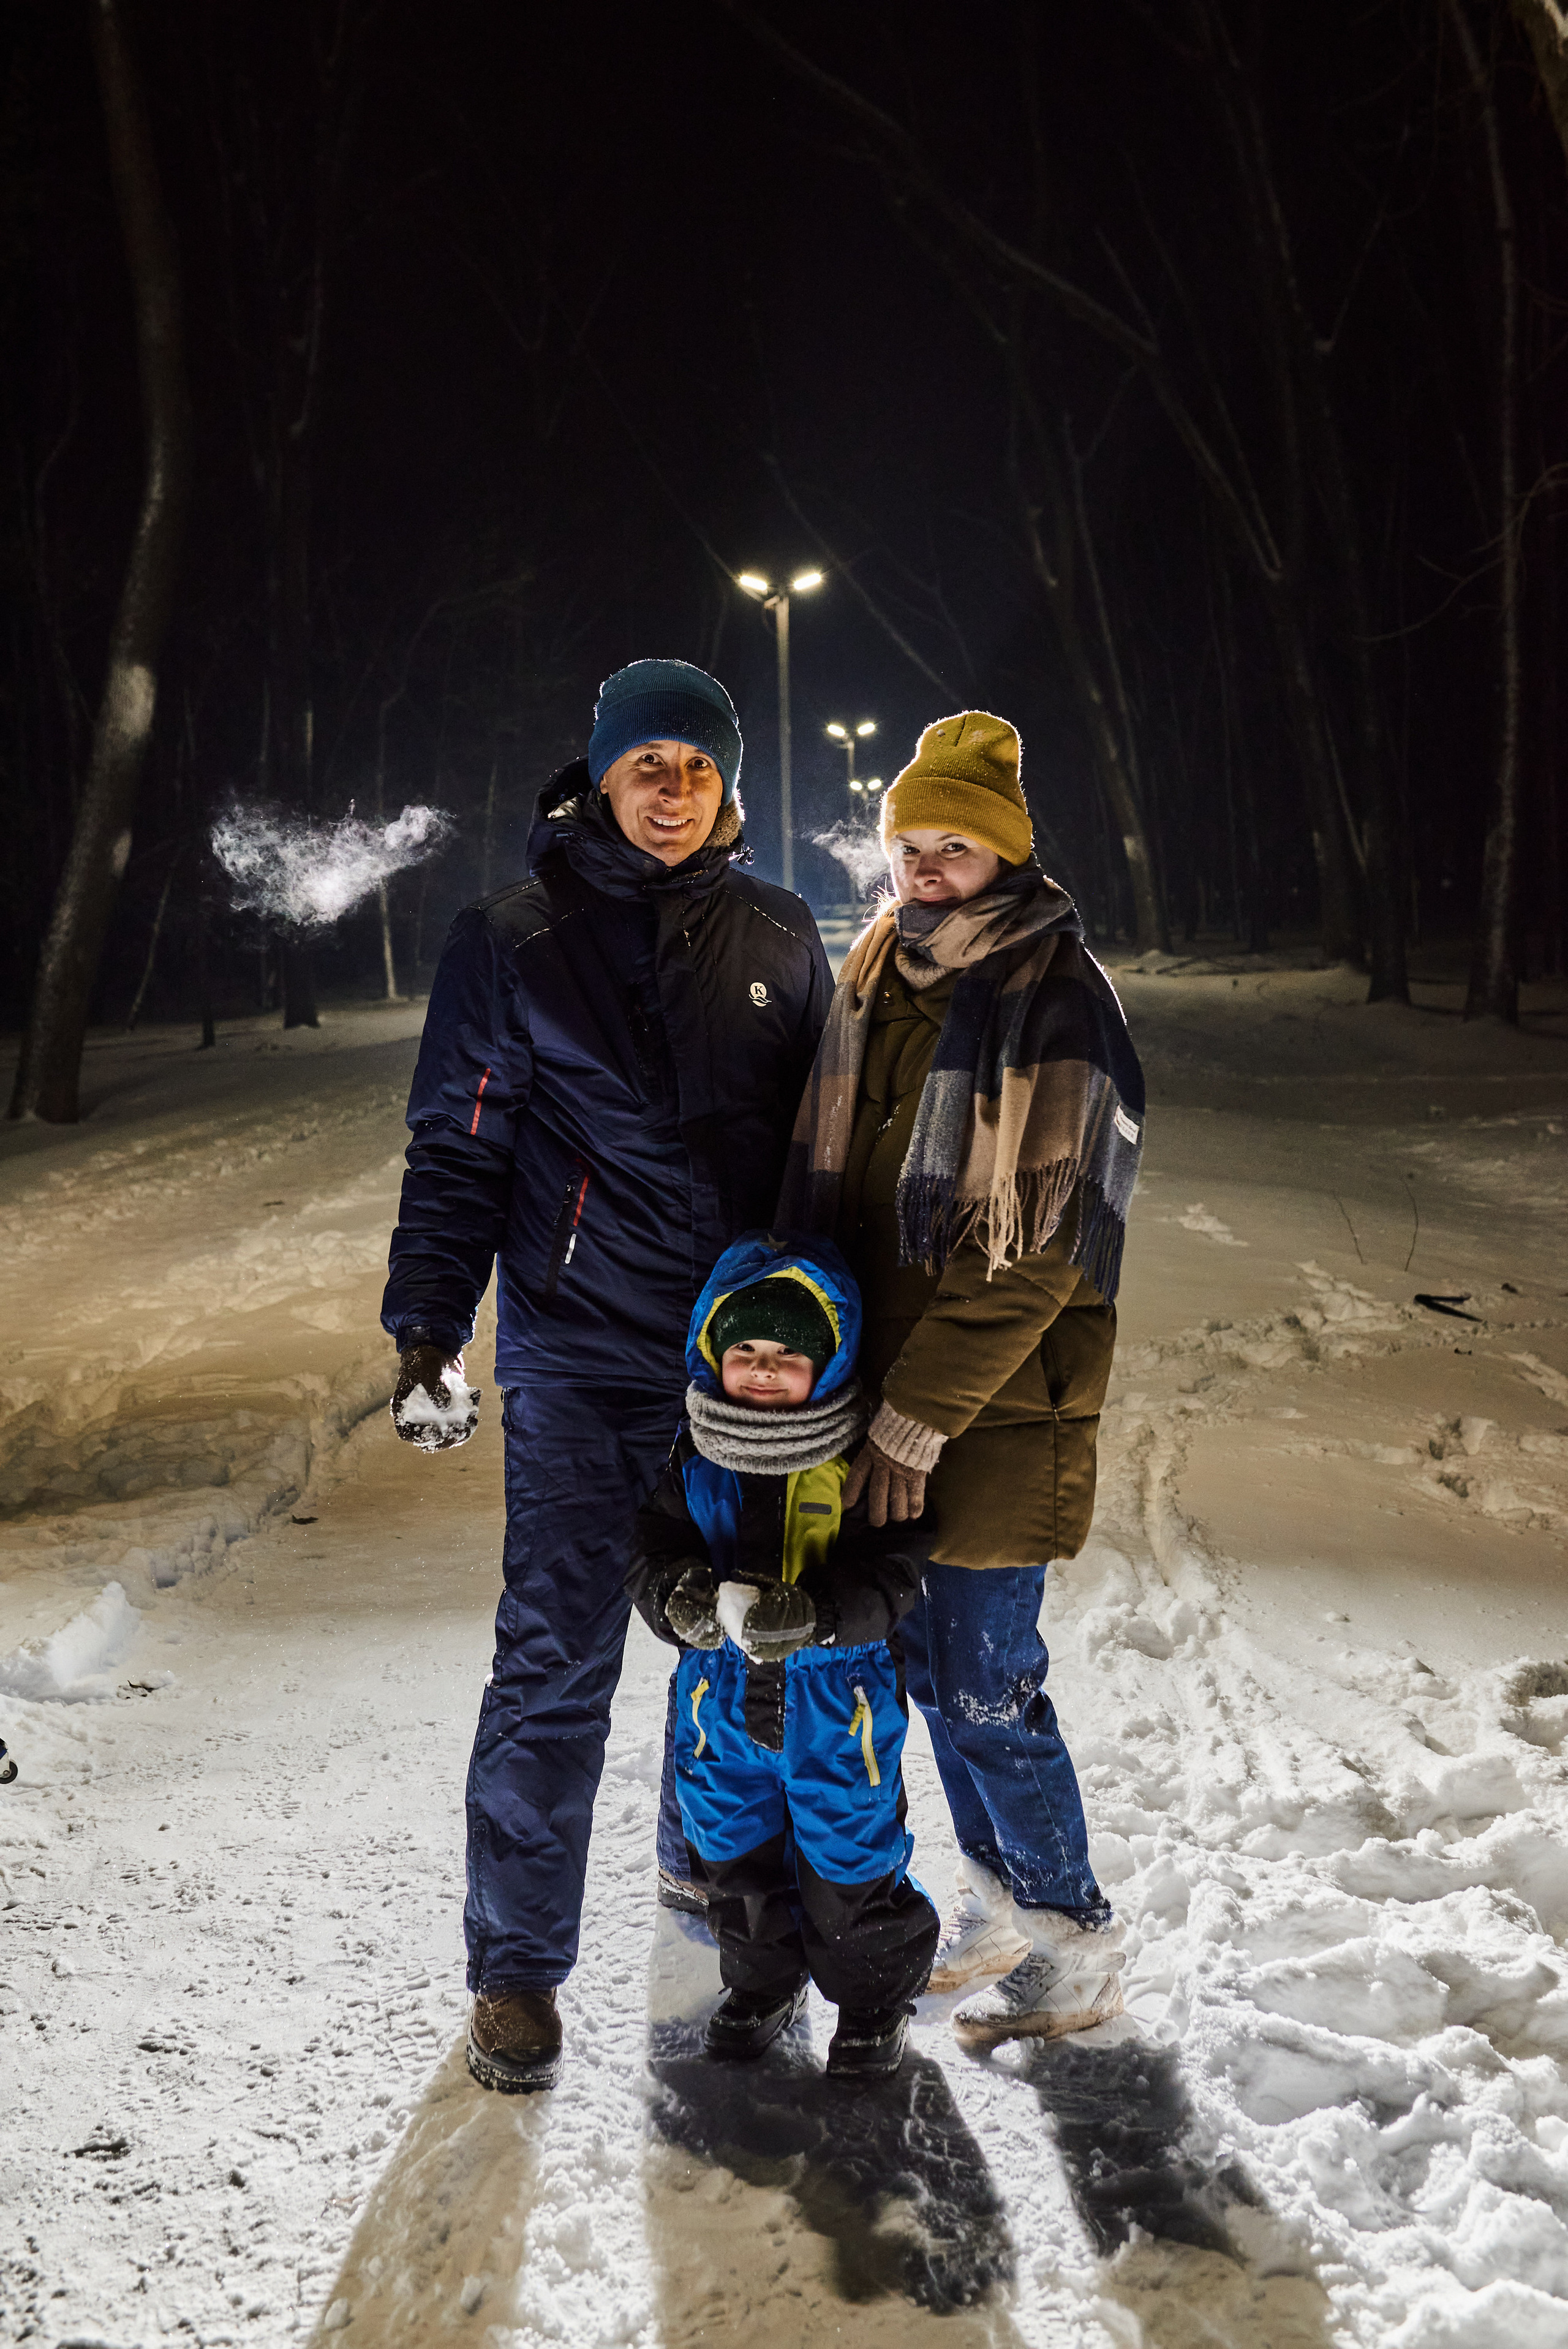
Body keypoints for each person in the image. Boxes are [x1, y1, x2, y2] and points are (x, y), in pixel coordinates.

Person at [380, 659, 833, 2094]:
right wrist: (425, 1330)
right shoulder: (509, 941)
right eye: (649, 765)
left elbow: (825, 1158)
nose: (673, 790)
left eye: (697, 768)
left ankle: (715, 1899)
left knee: (743, 1656)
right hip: (579, 1361)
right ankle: (515, 1973)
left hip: (736, 1375)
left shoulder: (776, 931)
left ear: (728, 785)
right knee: (556, 1663)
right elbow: (457, 1155)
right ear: (600, 774)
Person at [780, 710, 1145, 2049]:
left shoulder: (1056, 996)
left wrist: (917, 1415)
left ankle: (1076, 1944)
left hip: (992, 1409)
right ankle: (999, 1910)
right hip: (890, 1402)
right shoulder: (882, 966)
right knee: (933, 1679)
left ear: (1003, 856)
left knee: (990, 1690)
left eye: (952, 849)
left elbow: (1036, 1250)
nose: (924, 870)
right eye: (908, 846)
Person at [627, 1232, 939, 2079]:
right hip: (718, 1703)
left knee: (852, 1857)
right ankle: (764, 1982)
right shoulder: (694, 1453)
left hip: (837, 1706)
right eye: (747, 1350)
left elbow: (901, 1569)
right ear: (713, 1353)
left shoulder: (857, 1458)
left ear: (829, 1363)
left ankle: (875, 1996)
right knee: (733, 1856)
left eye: (788, 1354)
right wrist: (675, 1595)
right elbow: (652, 1545)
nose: (763, 1369)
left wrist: (827, 1611)